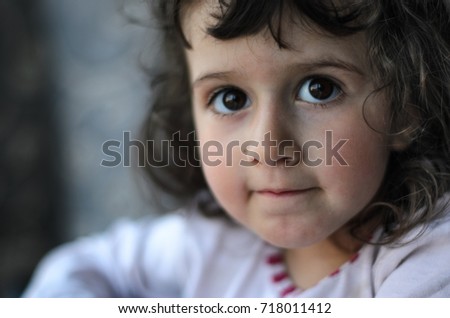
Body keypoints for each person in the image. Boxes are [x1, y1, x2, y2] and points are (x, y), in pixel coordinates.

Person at [24, 0, 450, 297]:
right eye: (230, 98)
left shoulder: (425, 258)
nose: (269, 147)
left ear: (405, 110)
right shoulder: (212, 239)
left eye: (319, 89)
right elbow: (78, 269)